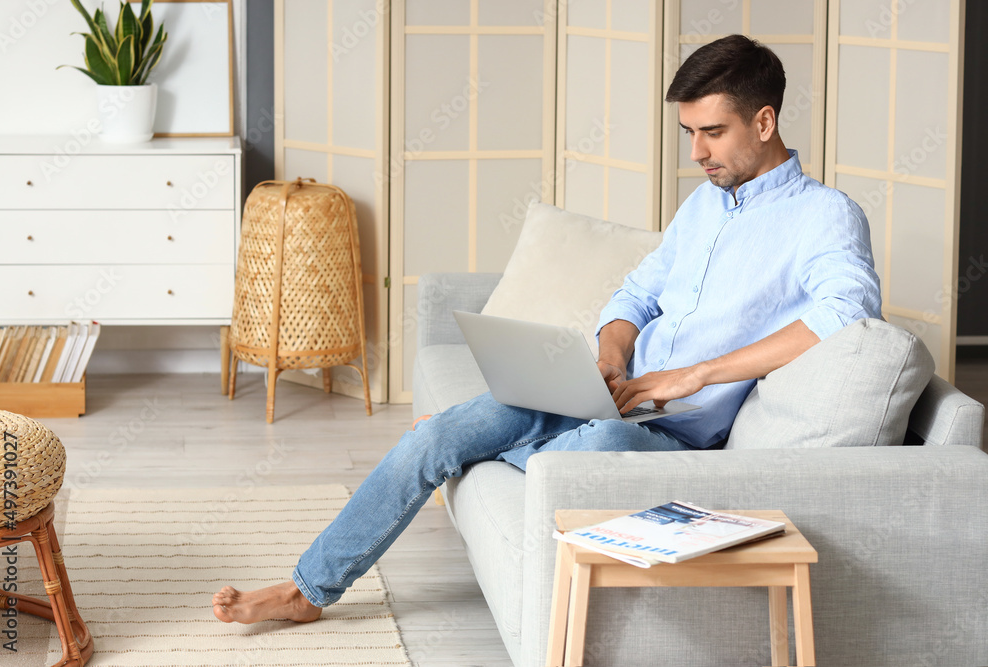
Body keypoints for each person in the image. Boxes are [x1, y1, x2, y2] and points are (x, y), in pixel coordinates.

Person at [212, 34, 881, 624]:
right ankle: (308, 588)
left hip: (666, 435)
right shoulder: (703, 204)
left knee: (596, 447)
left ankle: (500, 449)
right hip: (603, 395)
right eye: (689, 134)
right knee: (436, 433)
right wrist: (611, 354)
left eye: (712, 131)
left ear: (764, 121)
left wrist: (693, 375)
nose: (697, 151)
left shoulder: (823, 216)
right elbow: (637, 291)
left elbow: (846, 310)